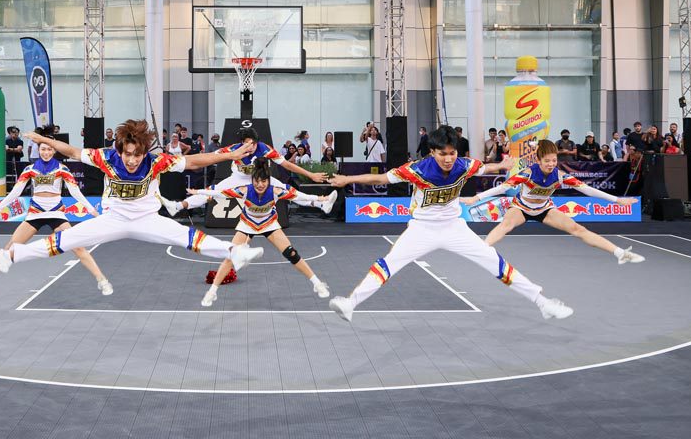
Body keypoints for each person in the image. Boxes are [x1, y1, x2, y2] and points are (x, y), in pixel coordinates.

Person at [326, 125, 572, 323]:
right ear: (432, 152)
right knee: (388, 264)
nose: (448, 158)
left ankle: (543, 303)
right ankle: (350, 303)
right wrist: (347, 179)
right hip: (422, 229)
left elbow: (484, 167)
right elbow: (380, 178)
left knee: (495, 262)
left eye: (452, 153)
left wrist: (501, 165)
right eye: (442, 154)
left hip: (454, 227)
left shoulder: (464, 165)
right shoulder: (417, 170)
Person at [0, 120, 264, 279]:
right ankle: (8, 257)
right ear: (120, 150)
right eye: (128, 154)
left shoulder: (157, 161)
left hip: (147, 219)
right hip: (113, 219)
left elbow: (195, 161)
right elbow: (72, 151)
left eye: (137, 154)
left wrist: (229, 155)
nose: (133, 160)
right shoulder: (105, 157)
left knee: (186, 236)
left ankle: (234, 252)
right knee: (64, 241)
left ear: (144, 151)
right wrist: (45, 140)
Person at [0, 127, 110, 296]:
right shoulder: (30, 169)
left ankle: (102, 280)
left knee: (78, 248)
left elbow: (75, 192)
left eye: (49, 149)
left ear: (54, 150)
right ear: (38, 150)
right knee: (8, 249)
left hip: (56, 214)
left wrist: (91, 210)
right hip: (35, 213)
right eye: (43, 149)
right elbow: (15, 192)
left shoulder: (62, 169)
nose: (46, 152)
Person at [465, 140, 643, 265]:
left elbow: (587, 190)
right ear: (538, 160)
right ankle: (481, 251)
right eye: (547, 161)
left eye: (554, 160)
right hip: (521, 208)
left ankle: (620, 253)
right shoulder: (527, 174)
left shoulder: (560, 176)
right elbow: (503, 187)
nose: (551, 164)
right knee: (505, 225)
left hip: (544, 208)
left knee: (578, 229)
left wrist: (617, 200)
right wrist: (476, 198)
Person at [192, 159, 333, 307]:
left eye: (264, 181)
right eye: (257, 181)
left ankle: (317, 284)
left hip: (269, 223)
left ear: (268, 181)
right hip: (248, 224)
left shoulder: (276, 191)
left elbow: (300, 196)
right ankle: (212, 292)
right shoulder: (244, 190)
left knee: (292, 254)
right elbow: (220, 193)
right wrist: (199, 192)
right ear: (252, 180)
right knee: (230, 257)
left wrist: (320, 199)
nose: (260, 184)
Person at [166, 126, 334, 216]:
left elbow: (287, 165)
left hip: (259, 178)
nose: (251, 146)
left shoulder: (265, 149)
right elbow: (209, 157)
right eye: (247, 143)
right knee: (211, 192)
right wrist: (187, 161)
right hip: (238, 177)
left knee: (287, 190)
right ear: (242, 143)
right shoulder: (233, 149)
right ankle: (178, 206)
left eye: (253, 143)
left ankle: (320, 203)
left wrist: (311, 174)